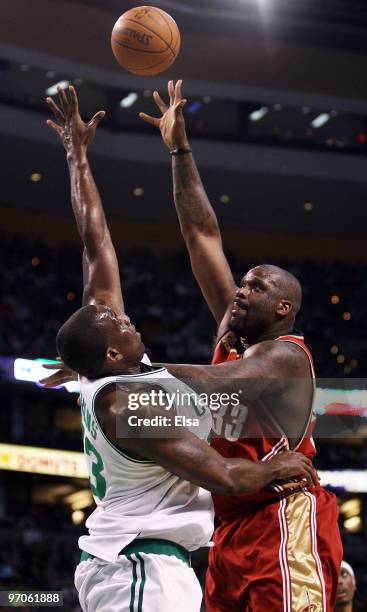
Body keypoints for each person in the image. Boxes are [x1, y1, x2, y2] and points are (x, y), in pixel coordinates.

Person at [44, 86, 315, 612]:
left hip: (236, 533)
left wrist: (80, 155)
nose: (125, 315)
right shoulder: (128, 398)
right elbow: (226, 475)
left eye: (255, 287)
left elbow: (96, 244)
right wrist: (124, 369)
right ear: (113, 354)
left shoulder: (282, 354)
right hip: (150, 559)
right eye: (117, 322)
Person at [139, 79, 343, 612]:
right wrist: (181, 152)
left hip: (282, 515)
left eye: (255, 285)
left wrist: (118, 369)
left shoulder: (286, 357)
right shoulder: (232, 337)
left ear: (283, 309)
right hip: (229, 527)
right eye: (242, 282)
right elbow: (201, 236)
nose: (240, 290)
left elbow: (219, 382)